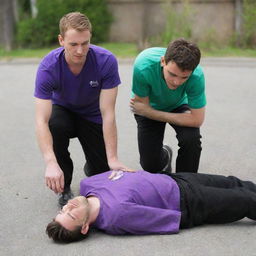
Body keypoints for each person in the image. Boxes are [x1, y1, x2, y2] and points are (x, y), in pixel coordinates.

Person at [34, 12, 132, 207]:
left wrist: (113, 158)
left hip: (92, 115)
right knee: (55, 124)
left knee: (103, 175)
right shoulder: (48, 67)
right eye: (73, 44)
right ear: (61, 40)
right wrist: (50, 162)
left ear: (90, 39)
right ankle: (64, 187)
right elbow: (41, 121)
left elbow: (108, 113)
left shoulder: (106, 61)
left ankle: (94, 164)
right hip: (64, 112)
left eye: (85, 43)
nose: (80, 50)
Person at [46, 170, 256, 243]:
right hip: (189, 202)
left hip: (176, 179)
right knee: (245, 201)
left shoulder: (87, 184)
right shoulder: (116, 217)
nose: (69, 207)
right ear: (84, 227)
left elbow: (126, 174)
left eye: (63, 210)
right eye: (72, 215)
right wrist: (199, 210)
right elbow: (162, 220)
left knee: (234, 183)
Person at [130, 38, 206, 174]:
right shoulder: (143, 65)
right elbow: (142, 105)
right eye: (172, 74)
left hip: (176, 105)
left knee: (191, 140)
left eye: (184, 78)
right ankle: (165, 154)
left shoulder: (197, 76)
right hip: (148, 104)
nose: (176, 82)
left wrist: (150, 113)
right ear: (163, 61)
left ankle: (186, 183)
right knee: (150, 165)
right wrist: (147, 111)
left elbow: (197, 120)